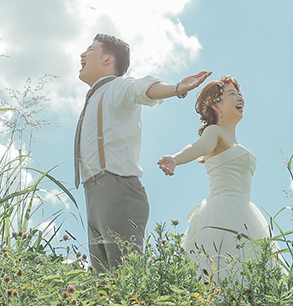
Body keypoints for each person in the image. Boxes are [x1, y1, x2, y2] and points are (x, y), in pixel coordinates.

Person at [74, 33, 211, 271]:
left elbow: (142, 88)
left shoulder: (118, 87)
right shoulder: (94, 97)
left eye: (90, 49)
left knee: (126, 278)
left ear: (108, 59)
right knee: (103, 284)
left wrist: (176, 88)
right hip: (93, 191)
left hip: (117, 188)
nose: (82, 54)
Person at [157, 76, 274, 286]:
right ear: (215, 105)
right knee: (221, 271)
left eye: (240, 94)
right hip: (222, 211)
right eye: (232, 94)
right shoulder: (214, 132)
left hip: (244, 209)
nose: (240, 98)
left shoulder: (233, 139)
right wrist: (175, 159)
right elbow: (197, 147)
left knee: (252, 272)